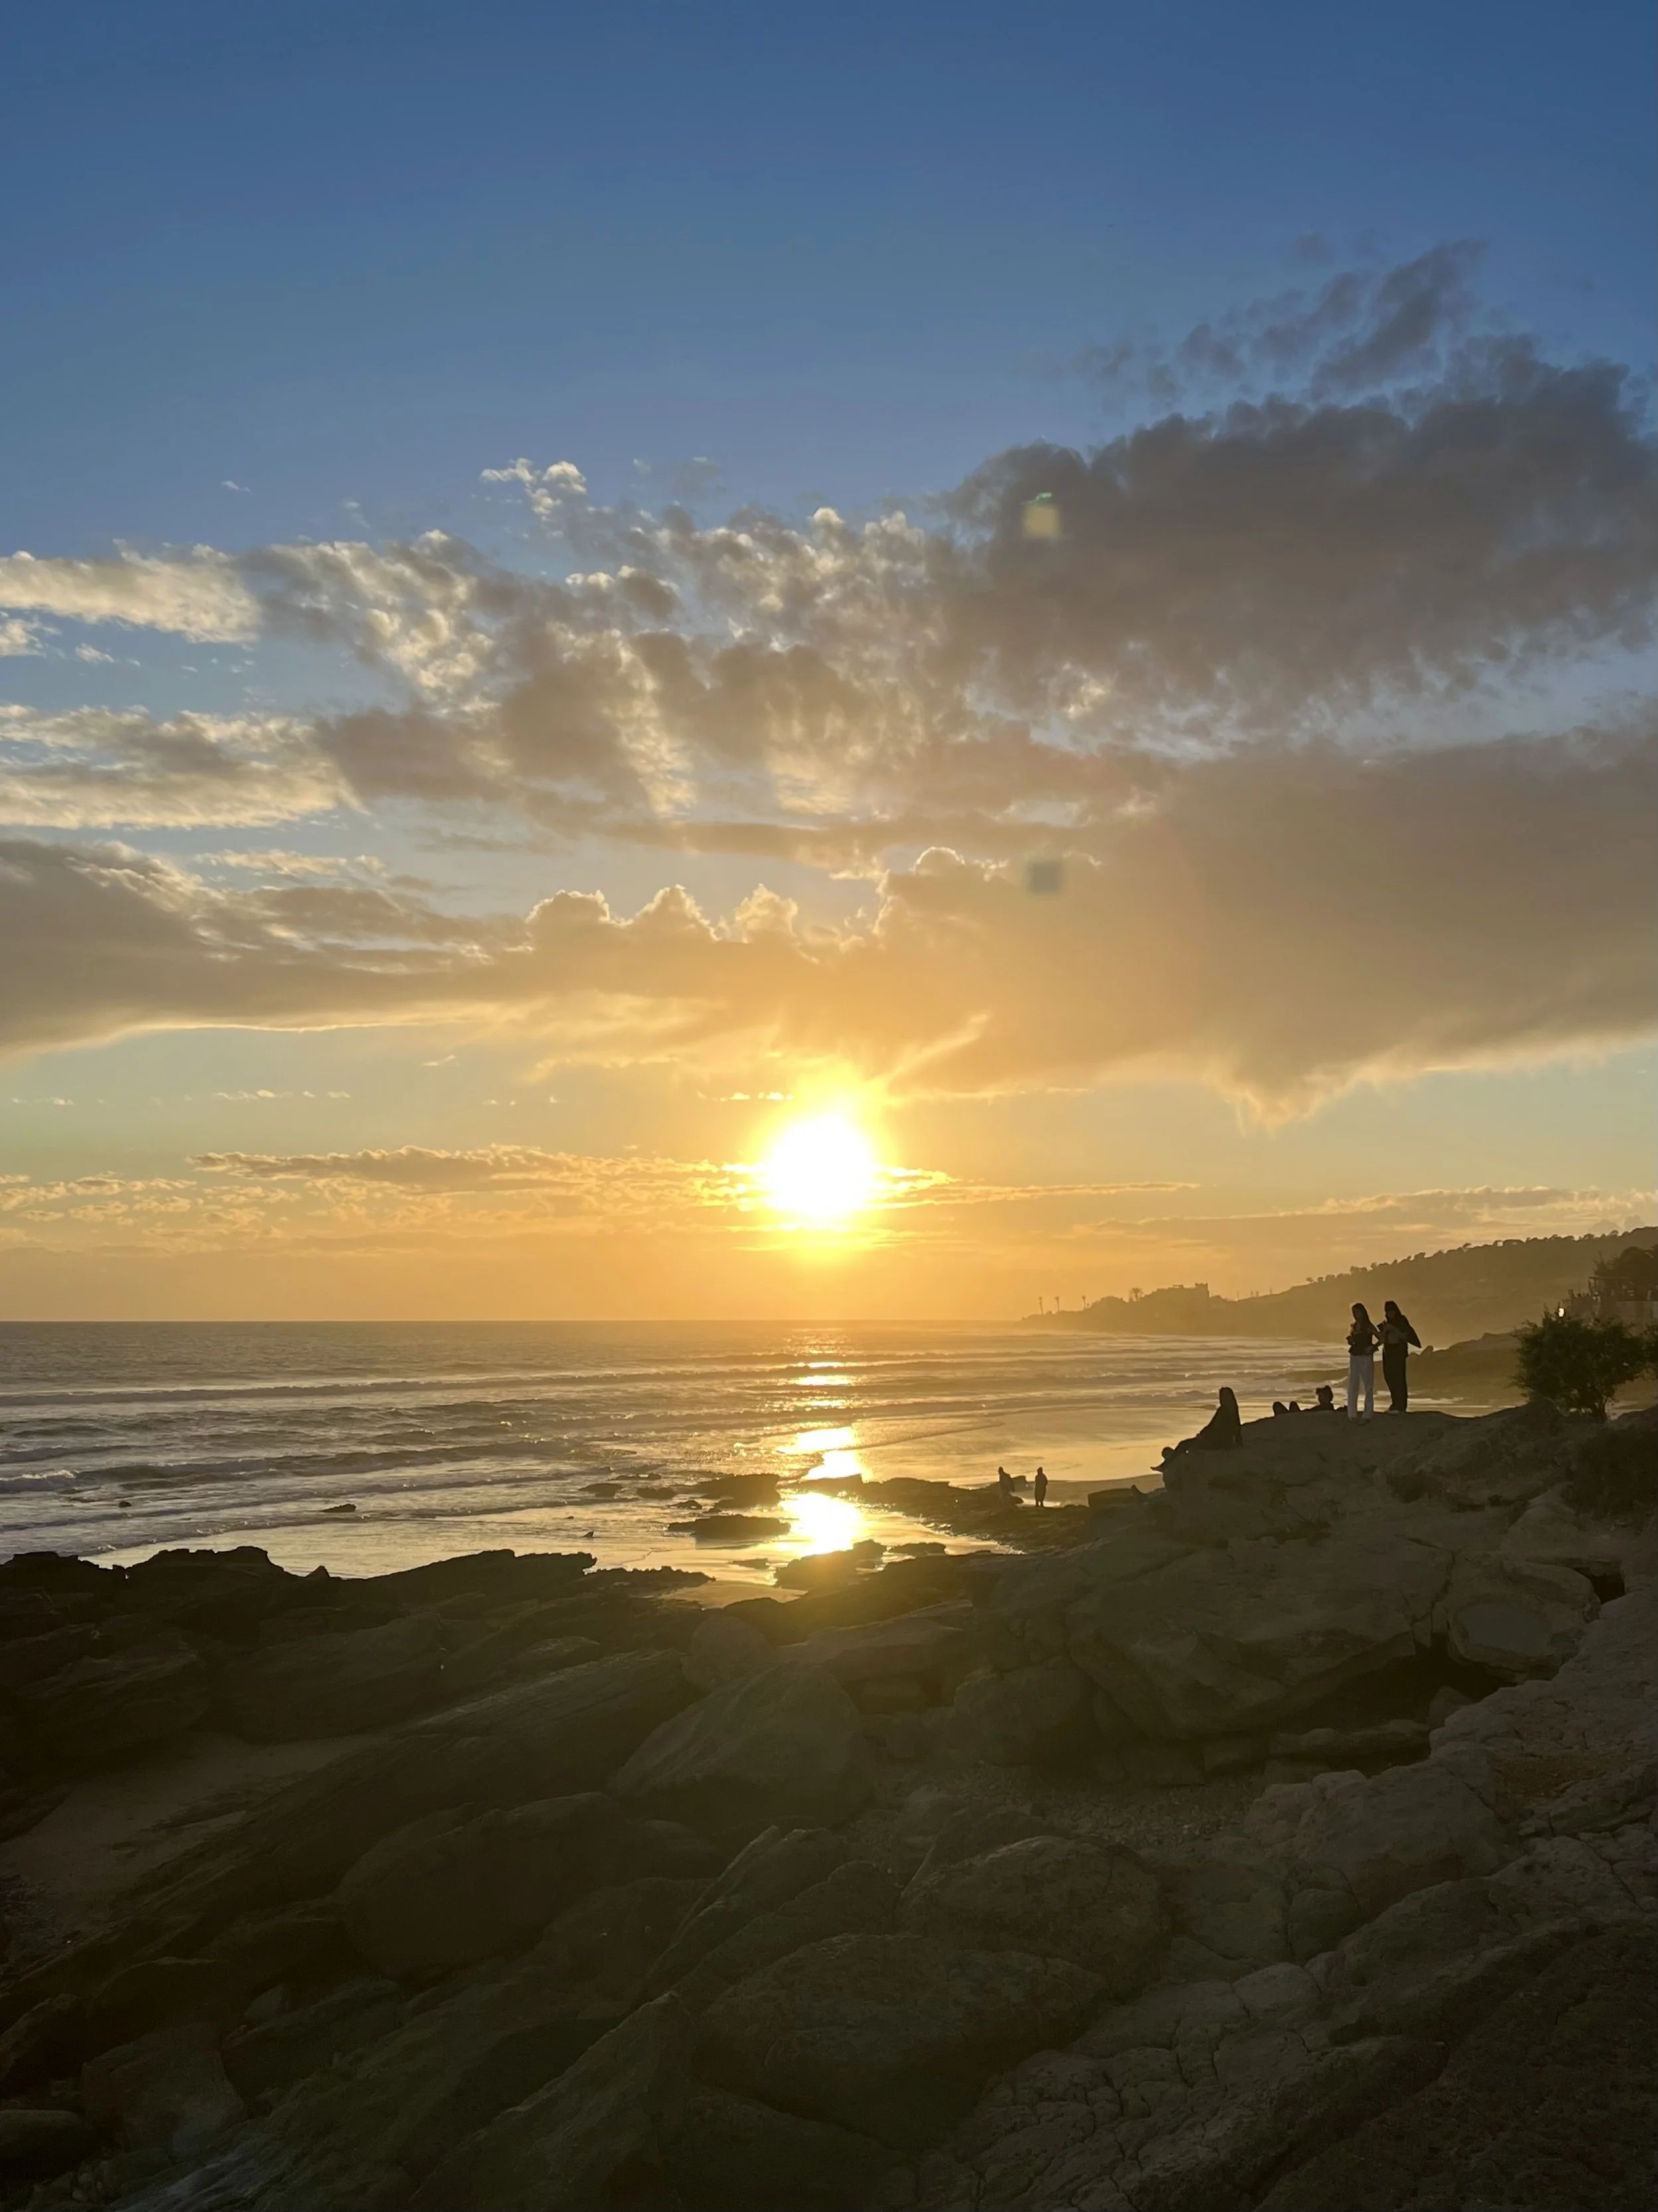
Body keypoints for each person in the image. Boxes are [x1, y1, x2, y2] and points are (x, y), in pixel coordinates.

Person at [1160, 1386, 1244, 1466]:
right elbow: (1237, 1430)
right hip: (1223, 1443)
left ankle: (1166, 1465)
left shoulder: (1223, 1411)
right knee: (1187, 1444)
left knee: (1184, 1444)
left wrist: (1202, 1435)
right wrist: (1238, 1444)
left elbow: (1213, 1427)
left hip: (1215, 1443)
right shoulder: (1233, 1412)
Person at [1379, 1299, 1422, 1412]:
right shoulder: (1386, 1323)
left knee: (1399, 1378)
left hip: (1398, 1352)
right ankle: (1395, 1403)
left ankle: (1401, 1405)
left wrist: (1393, 1329)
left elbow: (1406, 1336)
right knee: (1389, 1378)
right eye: (1388, 1313)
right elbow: (1382, 1339)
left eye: (1392, 1312)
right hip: (1388, 1352)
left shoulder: (1402, 1321)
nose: (1390, 1315)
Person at [1346, 1303, 1380, 1421]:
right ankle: (1352, 1413)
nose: (1355, 1315)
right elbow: (1355, 1341)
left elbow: (1381, 1337)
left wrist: (1373, 1347)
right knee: (1353, 1383)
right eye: (1354, 1313)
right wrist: (1351, 1341)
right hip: (1355, 1355)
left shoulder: (1369, 1326)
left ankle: (1368, 1412)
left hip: (1365, 1356)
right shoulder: (1355, 1326)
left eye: (1357, 1312)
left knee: (1368, 1384)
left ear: (1363, 1312)